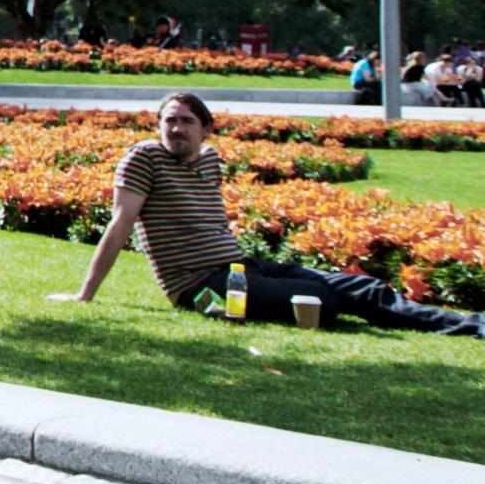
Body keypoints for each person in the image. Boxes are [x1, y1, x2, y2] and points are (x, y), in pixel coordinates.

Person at [50, 93, 483, 335]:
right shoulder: (143, 158)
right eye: (168, 121)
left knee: (360, 285)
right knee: (322, 301)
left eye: (185, 121)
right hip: (202, 286)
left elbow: (212, 217)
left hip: (239, 266)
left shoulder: (210, 160)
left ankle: (468, 324)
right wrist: (85, 294)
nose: (175, 129)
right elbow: (120, 224)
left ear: (206, 129)